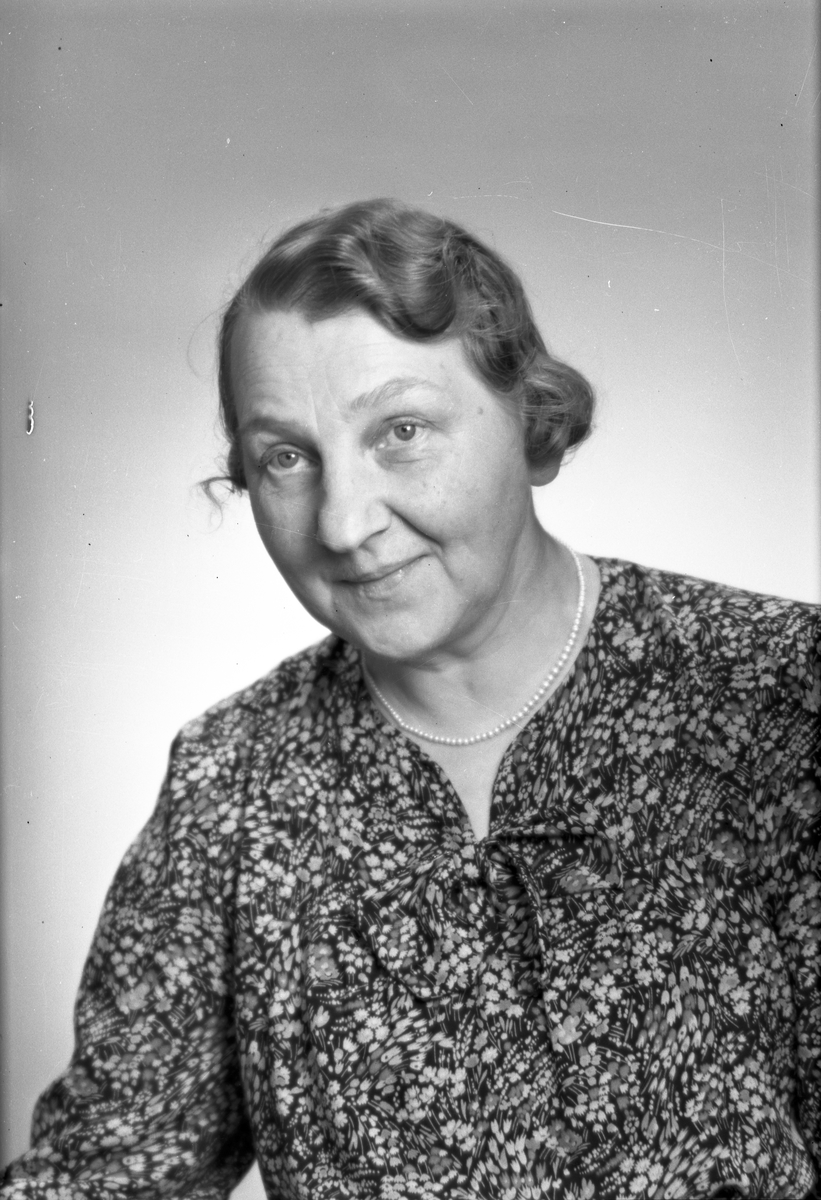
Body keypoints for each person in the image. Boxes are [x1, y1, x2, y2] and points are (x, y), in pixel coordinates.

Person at [2, 198, 819, 1200]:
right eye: (285, 456)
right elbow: (102, 1176)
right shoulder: (232, 784)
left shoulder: (774, 696)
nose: (342, 524)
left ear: (532, 426)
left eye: (400, 431)